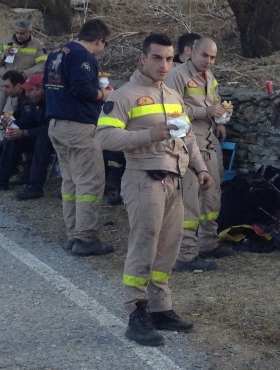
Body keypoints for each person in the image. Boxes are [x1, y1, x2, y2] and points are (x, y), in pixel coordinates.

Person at [95, 32, 213, 347]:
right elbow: (105, 138)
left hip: (175, 180)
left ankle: (160, 308)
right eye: (157, 58)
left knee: (168, 247)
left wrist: (200, 169)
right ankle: (136, 312)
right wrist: (149, 134)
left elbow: (187, 137)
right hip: (143, 178)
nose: (164, 65)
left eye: (169, 59)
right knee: (144, 245)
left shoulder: (174, 97)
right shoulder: (123, 96)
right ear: (143, 58)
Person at [44, 18, 113, 256]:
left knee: (70, 182)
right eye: (104, 45)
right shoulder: (83, 56)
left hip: (56, 124)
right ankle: (86, 238)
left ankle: (73, 234)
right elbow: (81, 88)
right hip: (79, 127)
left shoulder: (56, 53)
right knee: (89, 183)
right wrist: (103, 94)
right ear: (99, 40)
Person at [165, 36, 234, 271]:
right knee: (190, 200)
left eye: (213, 57)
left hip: (207, 139)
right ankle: (185, 254)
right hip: (186, 142)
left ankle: (208, 243)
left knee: (212, 195)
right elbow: (171, 110)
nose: (208, 61)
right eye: (204, 55)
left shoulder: (209, 76)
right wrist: (203, 111)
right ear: (192, 52)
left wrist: (221, 116)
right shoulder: (178, 75)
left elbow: (214, 101)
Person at [0, 73, 50, 194]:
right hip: (34, 135)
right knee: (13, 137)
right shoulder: (31, 100)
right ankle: (0, 179)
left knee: (41, 140)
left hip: (45, 137)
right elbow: (20, 117)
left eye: (7, 86)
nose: (27, 94)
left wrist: (4, 126)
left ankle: (34, 186)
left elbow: (41, 125)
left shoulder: (42, 102)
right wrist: (1, 116)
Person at [0, 18, 47, 113]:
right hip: (2, 82)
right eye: (17, 32)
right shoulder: (4, 42)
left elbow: (43, 65)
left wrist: (25, 74)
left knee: (9, 112)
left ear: (29, 32)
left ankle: (7, 127)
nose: (19, 35)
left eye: (22, 33)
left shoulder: (38, 45)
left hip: (19, 84)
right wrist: (4, 56)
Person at [0, 70, 28, 165]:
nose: (6, 91)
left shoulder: (27, 100)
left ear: (18, 86)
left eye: (7, 87)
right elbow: (16, 117)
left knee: (10, 136)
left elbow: (23, 122)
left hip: (31, 136)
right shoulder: (21, 97)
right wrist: (0, 114)